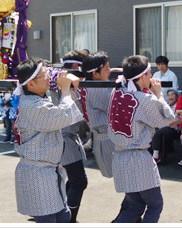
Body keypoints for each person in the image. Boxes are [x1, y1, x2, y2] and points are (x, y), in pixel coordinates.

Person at [13, 57, 83, 223]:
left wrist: (66, 86)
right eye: (45, 75)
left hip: (46, 170)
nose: (49, 78)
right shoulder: (33, 105)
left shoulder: (39, 99)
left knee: (63, 216)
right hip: (37, 173)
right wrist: (65, 90)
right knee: (49, 219)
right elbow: (65, 116)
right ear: (31, 84)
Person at [108, 55, 175, 223]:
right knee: (155, 204)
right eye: (150, 73)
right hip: (138, 159)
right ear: (142, 76)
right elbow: (167, 119)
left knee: (135, 206)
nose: (152, 77)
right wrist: (159, 94)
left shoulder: (116, 93)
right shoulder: (144, 99)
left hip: (119, 157)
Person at [55, 50, 88, 223]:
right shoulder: (65, 82)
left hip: (68, 137)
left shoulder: (59, 79)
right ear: (76, 66)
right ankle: (69, 218)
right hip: (64, 137)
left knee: (70, 181)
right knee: (79, 182)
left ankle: (64, 214)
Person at [80, 51, 115, 178]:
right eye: (107, 68)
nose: (110, 71)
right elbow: (121, 99)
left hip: (103, 138)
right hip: (109, 140)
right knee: (129, 181)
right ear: (95, 73)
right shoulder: (98, 90)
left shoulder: (87, 83)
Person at [151, 89, 180, 163]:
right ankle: (150, 154)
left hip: (173, 128)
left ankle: (156, 156)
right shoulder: (167, 105)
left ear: (176, 97)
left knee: (158, 133)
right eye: (169, 95)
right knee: (151, 129)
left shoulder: (178, 106)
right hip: (164, 125)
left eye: (172, 95)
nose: (170, 97)